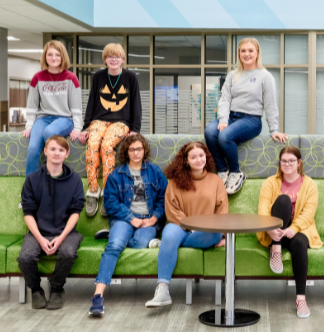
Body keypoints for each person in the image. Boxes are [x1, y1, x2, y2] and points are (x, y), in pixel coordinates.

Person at [89, 135, 167, 317]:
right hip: (124, 220)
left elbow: (165, 198)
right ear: (126, 152)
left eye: (139, 149)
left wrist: (154, 218)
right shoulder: (117, 175)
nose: (136, 153)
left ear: (144, 150)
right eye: (132, 150)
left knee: (140, 243)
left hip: (148, 220)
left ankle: (115, 235)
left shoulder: (155, 171)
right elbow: (110, 202)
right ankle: (98, 296)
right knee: (115, 246)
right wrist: (130, 218)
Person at [146, 142, 227, 308]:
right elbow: (171, 209)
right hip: (179, 225)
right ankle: (162, 291)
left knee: (215, 233)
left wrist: (224, 235)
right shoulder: (175, 181)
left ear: (207, 157)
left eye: (201, 156)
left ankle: (168, 245)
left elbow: (222, 211)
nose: (199, 160)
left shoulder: (216, 180)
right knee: (170, 234)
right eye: (194, 157)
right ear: (186, 160)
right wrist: (190, 226)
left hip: (206, 230)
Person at [205, 38, 288, 195]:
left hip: (251, 120)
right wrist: (223, 120)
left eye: (250, 51)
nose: (246, 54)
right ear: (239, 53)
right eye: (243, 51)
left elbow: (270, 104)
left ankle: (236, 173)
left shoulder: (265, 76)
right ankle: (223, 171)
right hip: (231, 116)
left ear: (257, 53)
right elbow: (225, 99)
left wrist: (274, 129)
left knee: (224, 137)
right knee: (210, 132)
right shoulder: (232, 75)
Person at [18, 135, 85, 310]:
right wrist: (40, 239)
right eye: (53, 149)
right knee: (25, 257)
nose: (57, 153)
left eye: (61, 150)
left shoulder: (75, 180)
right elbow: (28, 213)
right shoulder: (32, 180)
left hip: (67, 232)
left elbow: (75, 212)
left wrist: (62, 237)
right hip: (38, 232)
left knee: (68, 253)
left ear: (67, 154)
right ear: (45, 151)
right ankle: (35, 290)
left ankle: (57, 289)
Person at [257, 146, 322, 319]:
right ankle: (275, 249)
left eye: (291, 161)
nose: (287, 164)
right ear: (279, 163)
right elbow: (263, 210)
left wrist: (293, 228)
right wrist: (270, 230)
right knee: (284, 200)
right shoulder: (270, 182)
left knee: (300, 242)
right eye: (284, 161)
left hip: (298, 230)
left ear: (299, 163)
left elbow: (309, 213)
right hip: (272, 231)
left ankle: (301, 298)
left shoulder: (309, 184)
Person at [78, 43, 142, 217]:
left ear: (122, 59)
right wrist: (85, 126)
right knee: (92, 145)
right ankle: (93, 191)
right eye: (110, 56)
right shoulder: (98, 76)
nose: (113, 59)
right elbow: (92, 101)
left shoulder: (130, 77)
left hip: (121, 122)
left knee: (107, 146)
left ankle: (108, 192)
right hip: (99, 120)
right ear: (105, 59)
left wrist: (135, 128)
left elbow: (136, 102)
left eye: (117, 56)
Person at [22, 40, 82, 179]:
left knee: (50, 132)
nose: (53, 58)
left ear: (63, 57)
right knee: (32, 149)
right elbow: (32, 105)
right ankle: (29, 189)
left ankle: (46, 174)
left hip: (65, 119)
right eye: (50, 54)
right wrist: (29, 125)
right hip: (42, 119)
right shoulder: (37, 77)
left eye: (57, 55)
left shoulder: (71, 78)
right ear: (45, 57)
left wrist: (78, 128)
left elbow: (76, 107)